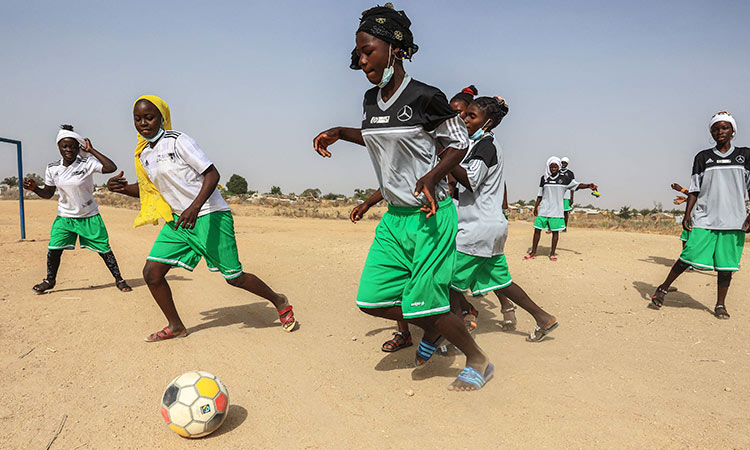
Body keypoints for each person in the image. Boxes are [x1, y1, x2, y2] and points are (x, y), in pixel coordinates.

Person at [313, 3, 492, 391]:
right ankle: (438, 326)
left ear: (395, 49)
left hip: (430, 217)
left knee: (426, 299)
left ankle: (477, 357)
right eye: (358, 53)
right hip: (394, 220)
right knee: (372, 299)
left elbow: (458, 144)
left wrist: (432, 176)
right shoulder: (370, 100)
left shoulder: (427, 96)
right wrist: (341, 132)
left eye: (368, 51)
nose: (361, 60)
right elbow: (381, 139)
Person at [107, 95, 297, 342]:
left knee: (234, 278)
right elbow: (151, 191)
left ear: (162, 118)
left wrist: (194, 207)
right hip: (178, 222)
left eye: (149, 117)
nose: (143, 123)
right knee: (152, 274)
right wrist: (121, 188)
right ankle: (175, 326)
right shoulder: (144, 154)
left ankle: (279, 301)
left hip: (209, 215)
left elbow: (212, 174)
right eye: (138, 119)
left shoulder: (178, 141)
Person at [450, 96, 558, 342]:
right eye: (465, 114)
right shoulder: (478, 144)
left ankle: (454, 339)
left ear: (487, 123)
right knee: (502, 282)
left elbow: (471, 179)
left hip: (477, 228)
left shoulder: (485, 145)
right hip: (491, 226)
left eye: (471, 116)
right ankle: (543, 318)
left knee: (446, 284)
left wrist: (445, 157)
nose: (465, 119)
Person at [651, 111, 750, 319]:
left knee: (726, 265)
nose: (720, 131)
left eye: (724, 127)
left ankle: (720, 304)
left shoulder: (745, 155)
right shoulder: (703, 157)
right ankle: (663, 287)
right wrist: (688, 214)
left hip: (734, 219)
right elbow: (694, 189)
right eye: (715, 128)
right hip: (706, 216)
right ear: (711, 132)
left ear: (733, 131)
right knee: (688, 254)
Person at [24, 125, 131, 294]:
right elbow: (48, 193)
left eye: (73, 146)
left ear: (78, 147)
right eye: (64, 146)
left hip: (89, 215)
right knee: (53, 250)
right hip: (65, 217)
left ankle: (119, 279)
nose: (69, 149)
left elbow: (111, 168)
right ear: (58, 147)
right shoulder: (52, 168)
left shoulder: (87, 163)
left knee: (104, 250)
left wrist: (92, 150)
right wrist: (35, 189)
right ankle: (49, 280)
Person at [525, 157, 598, 260]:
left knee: (555, 232)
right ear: (548, 167)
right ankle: (533, 252)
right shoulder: (544, 178)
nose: (553, 168)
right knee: (537, 230)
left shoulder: (565, 179)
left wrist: (588, 186)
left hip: (556, 211)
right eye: (551, 167)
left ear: (559, 167)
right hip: (544, 209)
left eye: (555, 166)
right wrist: (536, 206)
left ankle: (552, 253)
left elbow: (577, 185)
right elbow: (540, 194)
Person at [560, 157, 574, 230]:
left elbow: (573, 186)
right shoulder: (557, 171)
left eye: (564, 163)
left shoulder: (570, 173)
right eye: (562, 162)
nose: (563, 164)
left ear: (567, 164)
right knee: (556, 211)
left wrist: (572, 198)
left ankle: (564, 227)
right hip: (557, 195)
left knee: (565, 212)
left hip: (566, 195)